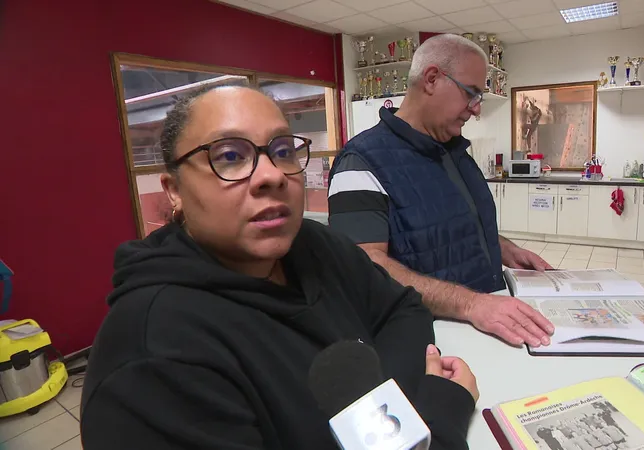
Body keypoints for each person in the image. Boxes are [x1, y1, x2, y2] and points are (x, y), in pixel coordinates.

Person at [80, 86, 478, 449]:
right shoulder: (152, 361)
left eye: (283, 150)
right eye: (230, 156)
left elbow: (402, 309)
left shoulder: (315, 245)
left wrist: (382, 414)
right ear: (174, 191)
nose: (272, 174)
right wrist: (438, 417)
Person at [327, 33, 555, 349]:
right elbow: (365, 266)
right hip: (429, 345)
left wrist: (503, 248)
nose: (476, 109)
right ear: (432, 79)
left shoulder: (454, 151)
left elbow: (450, 224)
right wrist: (470, 304)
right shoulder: (360, 162)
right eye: (471, 94)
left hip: (485, 329)